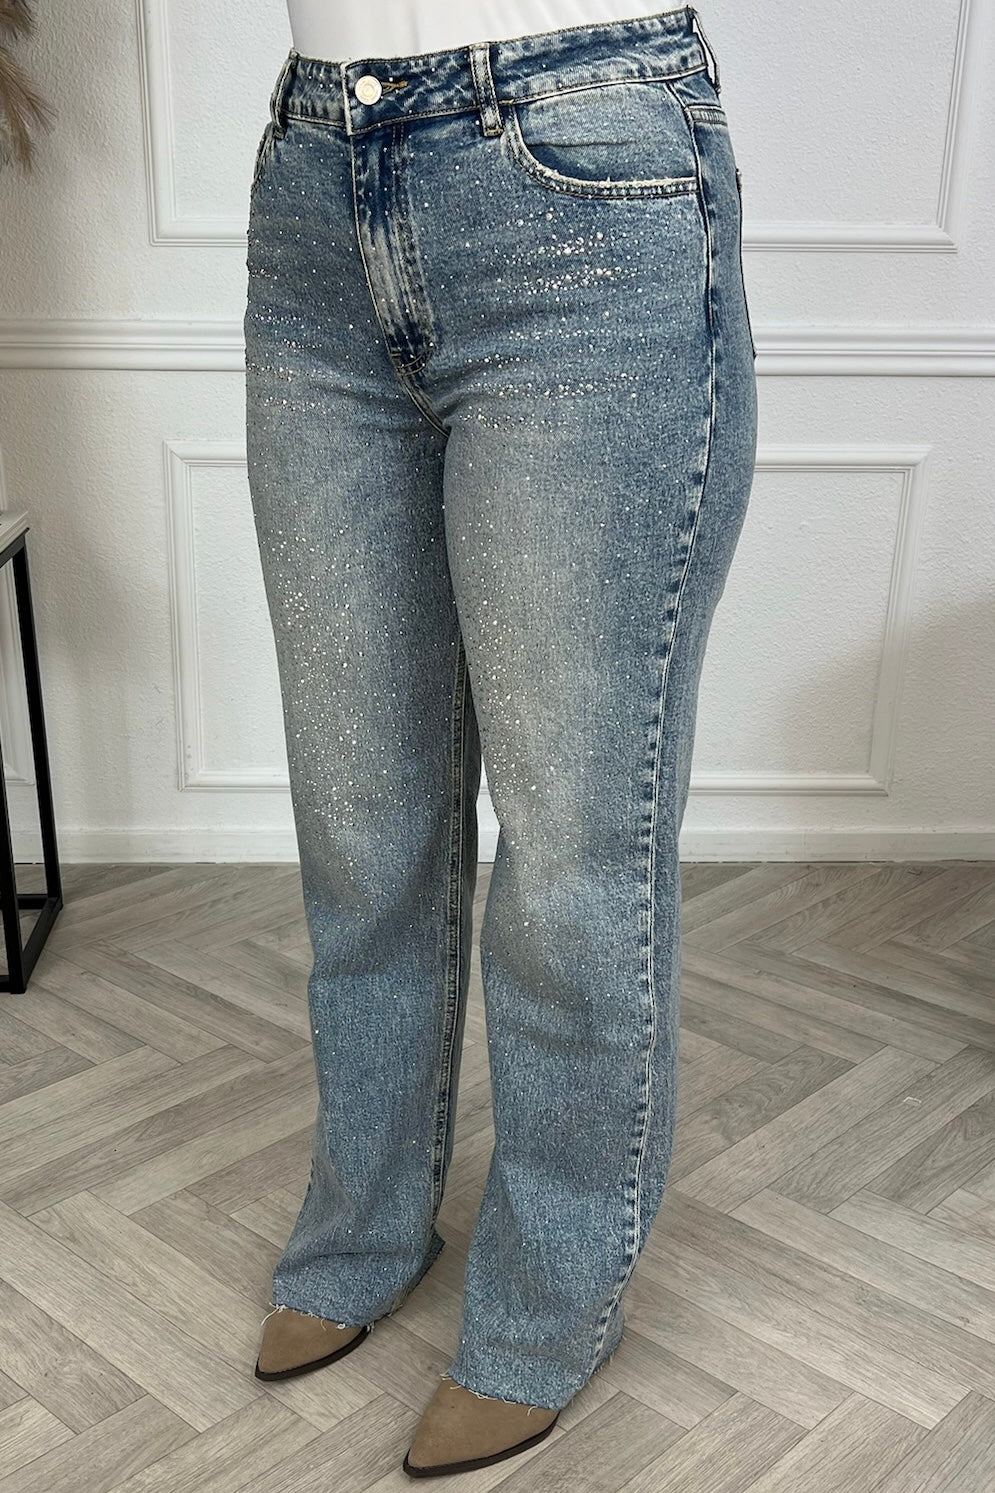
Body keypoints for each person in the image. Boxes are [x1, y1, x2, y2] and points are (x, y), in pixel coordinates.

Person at [244, 2, 757, 1478]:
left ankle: (549, 1300)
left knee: (573, 846)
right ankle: (367, 1225)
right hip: (316, 175)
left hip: (581, 166)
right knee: (359, 819)